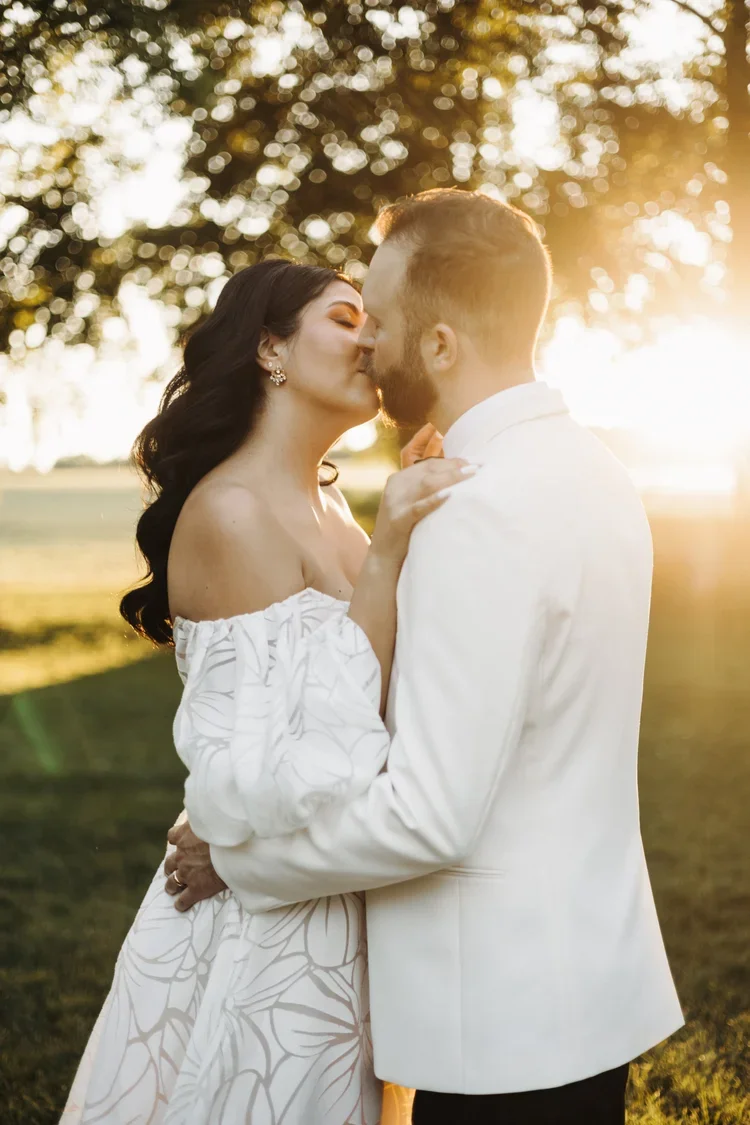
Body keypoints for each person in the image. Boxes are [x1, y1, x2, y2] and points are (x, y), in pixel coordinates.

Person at [168, 189, 684, 1125]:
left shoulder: (475, 509)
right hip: (587, 988)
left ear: (441, 345)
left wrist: (238, 861)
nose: (370, 344)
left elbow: (428, 816)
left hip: (497, 1017)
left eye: (385, 319)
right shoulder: (595, 470)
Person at [60, 258, 474, 1125]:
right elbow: (286, 762)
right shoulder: (233, 512)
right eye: (344, 316)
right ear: (269, 349)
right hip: (263, 933)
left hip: (334, 883)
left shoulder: (331, 511)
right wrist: (394, 547)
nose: (371, 338)